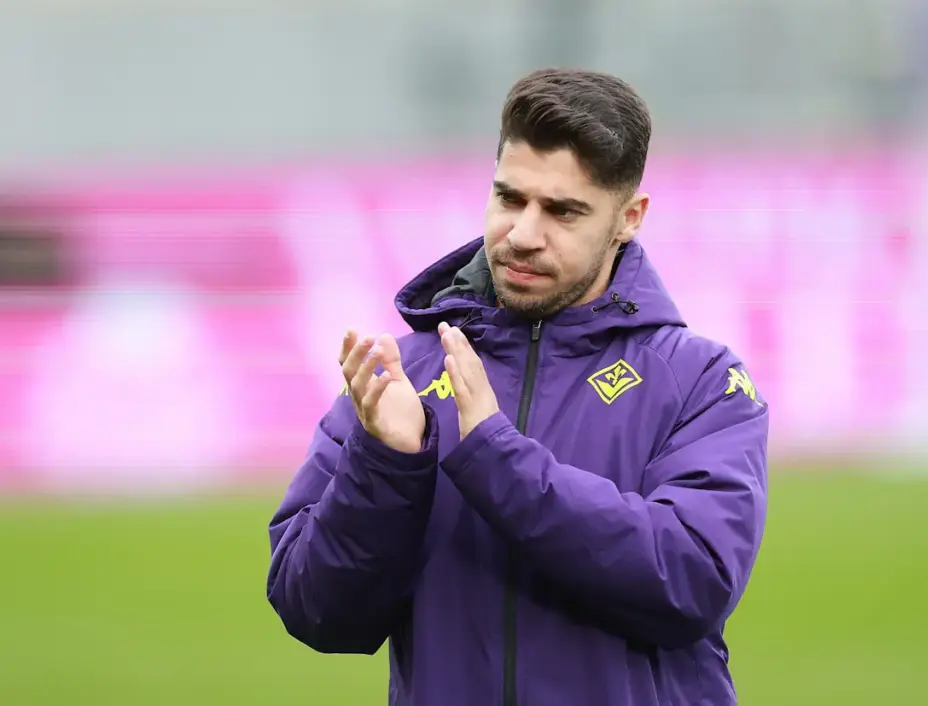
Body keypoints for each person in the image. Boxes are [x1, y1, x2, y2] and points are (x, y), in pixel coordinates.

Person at [267, 67, 769, 706]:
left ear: (629, 217)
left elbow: (692, 579)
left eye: (563, 211)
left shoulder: (700, 381)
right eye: (510, 198)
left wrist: (495, 457)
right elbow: (315, 610)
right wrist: (387, 466)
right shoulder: (403, 379)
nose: (524, 234)